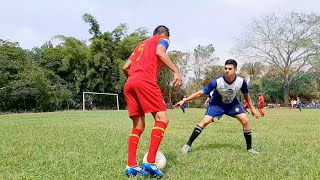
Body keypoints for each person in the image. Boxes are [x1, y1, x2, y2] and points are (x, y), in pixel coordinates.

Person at [122, 25, 182, 177]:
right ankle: (149, 161)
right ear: (166, 35)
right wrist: (176, 71)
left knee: (138, 125)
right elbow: (160, 52)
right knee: (162, 118)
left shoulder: (140, 45)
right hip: (145, 80)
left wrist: (135, 78)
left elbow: (125, 67)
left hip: (130, 83)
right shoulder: (163, 39)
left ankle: (131, 165)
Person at [175, 59, 259, 155]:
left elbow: (246, 95)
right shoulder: (217, 81)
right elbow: (200, 93)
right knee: (205, 121)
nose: (227, 70)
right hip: (217, 103)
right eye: (225, 68)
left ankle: (249, 149)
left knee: (245, 120)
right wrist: (185, 100)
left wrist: (252, 108)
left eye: (230, 69)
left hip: (232, 103)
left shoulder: (241, 82)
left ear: (235, 69)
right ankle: (188, 145)